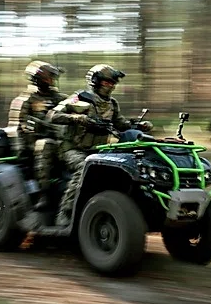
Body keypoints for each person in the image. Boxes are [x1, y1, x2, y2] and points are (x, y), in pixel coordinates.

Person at [46, 64, 153, 227]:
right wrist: (78, 119)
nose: (110, 87)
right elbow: (52, 115)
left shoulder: (112, 103)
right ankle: (65, 212)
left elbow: (120, 124)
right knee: (83, 167)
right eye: (107, 83)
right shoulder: (79, 97)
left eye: (112, 83)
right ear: (95, 81)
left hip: (99, 150)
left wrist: (138, 125)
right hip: (73, 149)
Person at [6, 60, 67, 212]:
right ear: (37, 79)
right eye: (48, 78)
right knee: (44, 146)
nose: (51, 81)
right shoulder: (26, 100)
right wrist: (22, 152)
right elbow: (20, 126)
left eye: (52, 78)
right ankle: (43, 194)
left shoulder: (59, 98)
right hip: (33, 142)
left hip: (59, 138)